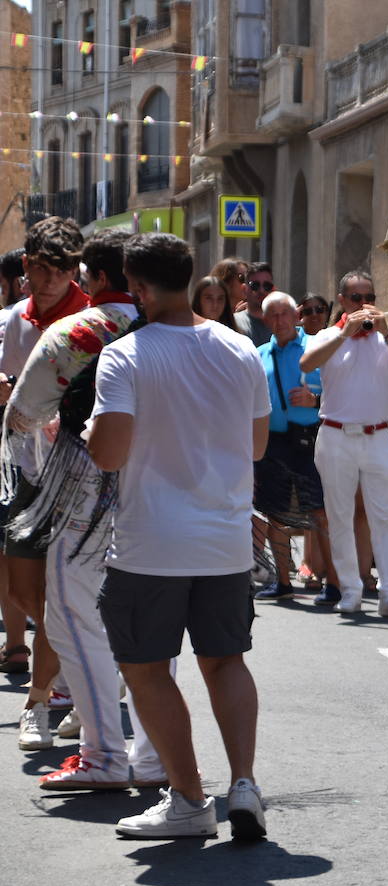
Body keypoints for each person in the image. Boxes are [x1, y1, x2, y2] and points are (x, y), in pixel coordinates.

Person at [89, 231, 270, 839]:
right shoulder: (240, 349)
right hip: (223, 538)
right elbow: (256, 446)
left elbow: (109, 455)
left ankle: (190, 799)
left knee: (144, 668)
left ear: (137, 288)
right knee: (226, 662)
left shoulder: (125, 355)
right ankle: (243, 783)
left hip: (151, 542)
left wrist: (92, 431)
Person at [7, 227, 165, 788]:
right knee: (152, 621)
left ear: (94, 278)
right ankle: (153, 756)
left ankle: (102, 753)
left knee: (71, 613)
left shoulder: (76, 332)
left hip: (87, 488)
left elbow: (21, 416)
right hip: (166, 490)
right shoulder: (185, 332)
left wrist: (49, 423)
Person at [0, 218, 88, 693]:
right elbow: (14, 386)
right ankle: (88, 655)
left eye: (64, 270)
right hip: (26, 468)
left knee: (63, 590)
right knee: (19, 589)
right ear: (27, 267)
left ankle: (58, 687)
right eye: (44, 270)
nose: (54, 280)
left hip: (78, 473)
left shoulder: (93, 316)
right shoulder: (17, 319)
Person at [300, 270, 388, 617]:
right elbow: (307, 364)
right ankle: (350, 589)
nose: (364, 305)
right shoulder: (326, 335)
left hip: (378, 436)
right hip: (337, 435)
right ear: (342, 302)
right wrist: (345, 333)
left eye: (369, 298)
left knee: (385, 516)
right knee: (340, 516)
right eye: (356, 298)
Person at [252, 292, 338, 605]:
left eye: (284, 313)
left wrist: (316, 402)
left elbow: (340, 393)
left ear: (295, 315)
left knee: (319, 510)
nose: (279, 320)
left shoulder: (316, 349)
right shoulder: (259, 354)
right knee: (275, 512)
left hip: (308, 439)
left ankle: (335, 583)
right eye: (272, 315)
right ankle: (283, 581)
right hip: (273, 441)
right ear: (265, 319)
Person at [234, 262, 275, 347]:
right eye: (255, 285)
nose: (261, 290)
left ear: (273, 289)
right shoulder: (233, 323)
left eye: (266, 285)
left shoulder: (283, 323)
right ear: (244, 289)